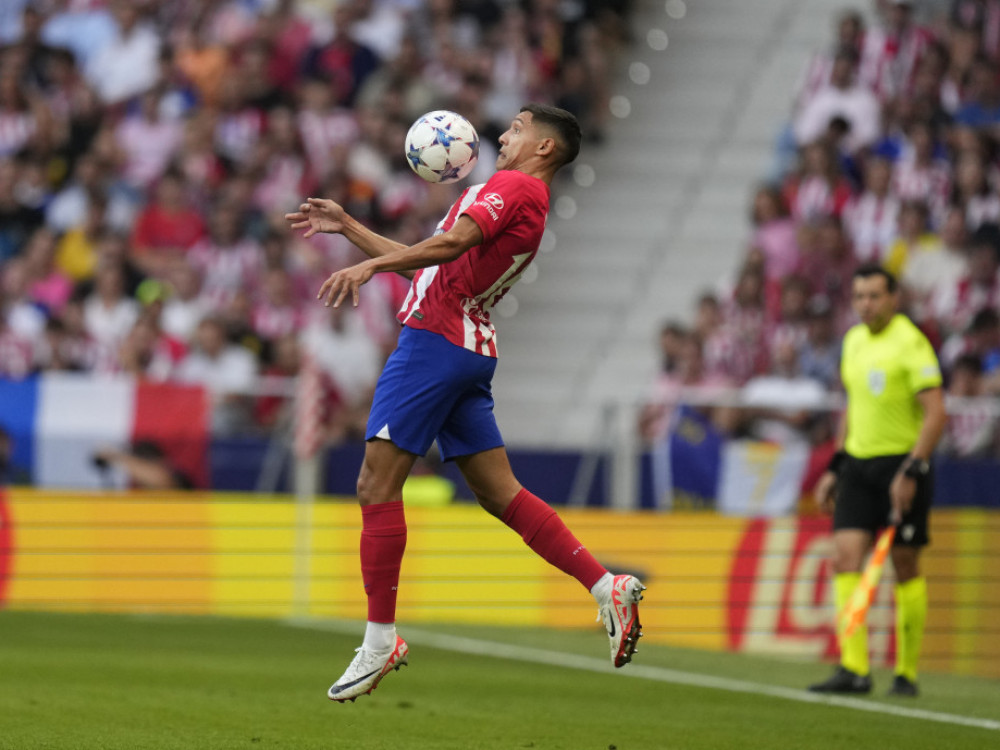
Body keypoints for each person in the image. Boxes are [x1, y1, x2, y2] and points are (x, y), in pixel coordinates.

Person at [285, 103, 645, 703]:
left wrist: (370, 264)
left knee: (375, 485)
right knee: (500, 493)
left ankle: (379, 640)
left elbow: (448, 246)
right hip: (465, 342)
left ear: (545, 147)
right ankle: (605, 585)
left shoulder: (517, 187)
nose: (503, 135)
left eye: (518, 128)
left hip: (434, 342)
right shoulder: (520, 195)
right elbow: (435, 265)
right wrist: (351, 227)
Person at [808, 264, 946, 697]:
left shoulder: (911, 343)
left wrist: (913, 470)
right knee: (845, 558)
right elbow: (853, 406)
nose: (866, 304)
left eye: (874, 296)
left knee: (904, 565)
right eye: (859, 297)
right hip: (859, 466)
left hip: (901, 466)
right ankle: (854, 668)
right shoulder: (852, 341)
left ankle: (906, 673)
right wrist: (836, 463)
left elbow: (936, 412)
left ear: (894, 298)